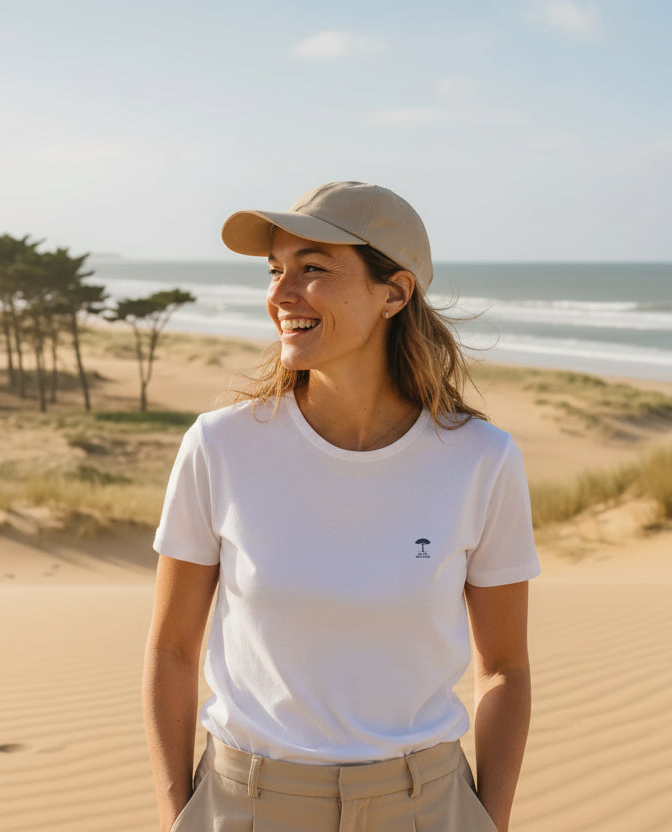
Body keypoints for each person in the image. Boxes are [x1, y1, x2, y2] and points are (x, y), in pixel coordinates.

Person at [142, 181, 539, 832]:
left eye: (313, 269)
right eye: (276, 270)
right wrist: (174, 818)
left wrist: (488, 822)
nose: (281, 293)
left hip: (426, 808)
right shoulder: (220, 446)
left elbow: (504, 669)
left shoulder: (481, 460)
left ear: (395, 293)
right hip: (246, 807)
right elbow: (172, 650)